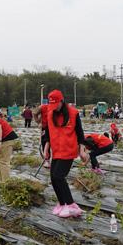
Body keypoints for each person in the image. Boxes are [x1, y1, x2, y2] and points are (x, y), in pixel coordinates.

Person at [45, 90, 88, 218]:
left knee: (59, 176)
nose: (54, 108)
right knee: (53, 178)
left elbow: (80, 134)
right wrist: (46, 149)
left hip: (68, 150)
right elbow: (47, 134)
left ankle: (71, 206)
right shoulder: (50, 113)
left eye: (56, 104)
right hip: (56, 150)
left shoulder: (73, 114)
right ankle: (62, 203)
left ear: (62, 101)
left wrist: (82, 150)